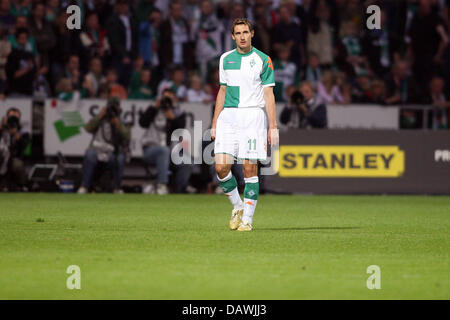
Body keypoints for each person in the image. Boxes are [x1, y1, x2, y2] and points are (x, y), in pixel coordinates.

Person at [211, 18, 278, 232]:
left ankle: (247, 219)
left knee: (249, 168)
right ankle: (238, 207)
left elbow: (269, 94)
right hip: (228, 117)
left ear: (252, 34)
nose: (242, 36)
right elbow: (222, 91)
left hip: (252, 116)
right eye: (238, 33)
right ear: (233, 36)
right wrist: (214, 122)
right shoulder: (225, 59)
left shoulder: (262, 59)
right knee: (221, 167)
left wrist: (273, 126)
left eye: (245, 32)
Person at [139, 88, 191, 194]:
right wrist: (155, 107)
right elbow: (143, 123)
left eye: (169, 98)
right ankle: (162, 185)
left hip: (171, 152)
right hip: (151, 150)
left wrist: (171, 117)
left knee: (187, 161)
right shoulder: (153, 110)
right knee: (164, 150)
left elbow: (180, 130)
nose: (166, 101)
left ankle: (179, 191)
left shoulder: (177, 112)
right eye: (164, 98)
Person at [77, 97, 130, 194]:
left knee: (120, 158)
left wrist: (117, 123)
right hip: (97, 150)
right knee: (90, 155)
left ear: (119, 108)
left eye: (115, 107)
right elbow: (88, 128)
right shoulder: (101, 118)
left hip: (113, 153)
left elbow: (127, 136)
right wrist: (100, 115)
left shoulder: (122, 120)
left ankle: (117, 188)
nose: (113, 109)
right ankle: (84, 186)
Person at [0, 107, 30, 191]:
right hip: (1, 158)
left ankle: (22, 186)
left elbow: (23, 147)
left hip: (14, 159)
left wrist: (16, 135)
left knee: (17, 164)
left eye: (15, 118)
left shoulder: (24, 133)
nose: (12, 120)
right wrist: (1, 128)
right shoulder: (2, 130)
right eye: (10, 117)